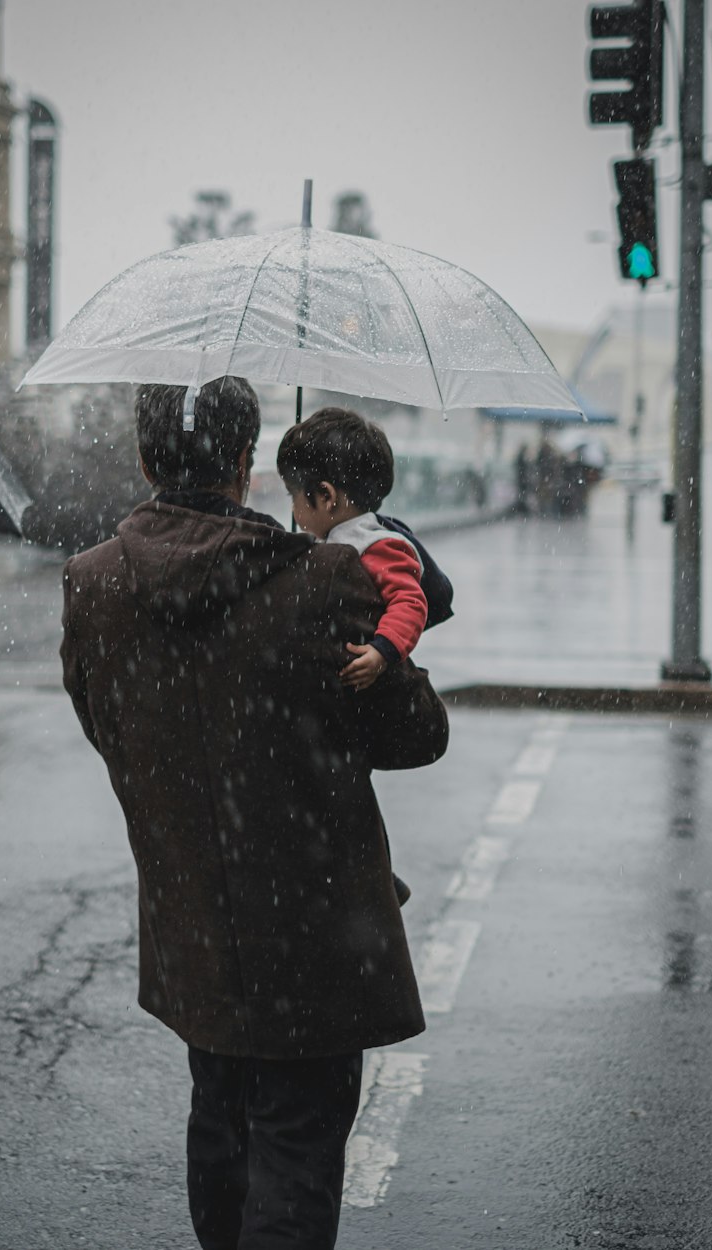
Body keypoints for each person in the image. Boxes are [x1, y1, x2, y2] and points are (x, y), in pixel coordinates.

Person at [60, 378, 449, 1250]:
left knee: (222, 1125)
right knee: (298, 1155)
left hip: (193, 924)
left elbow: (108, 728)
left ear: (143, 457)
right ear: (246, 462)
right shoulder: (323, 580)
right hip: (316, 939)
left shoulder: (93, 583)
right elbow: (418, 735)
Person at [276, 407, 454, 693]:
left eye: (293, 494)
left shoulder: (376, 545)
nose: (292, 508)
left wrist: (382, 651)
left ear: (326, 496)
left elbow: (410, 601)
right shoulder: (339, 539)